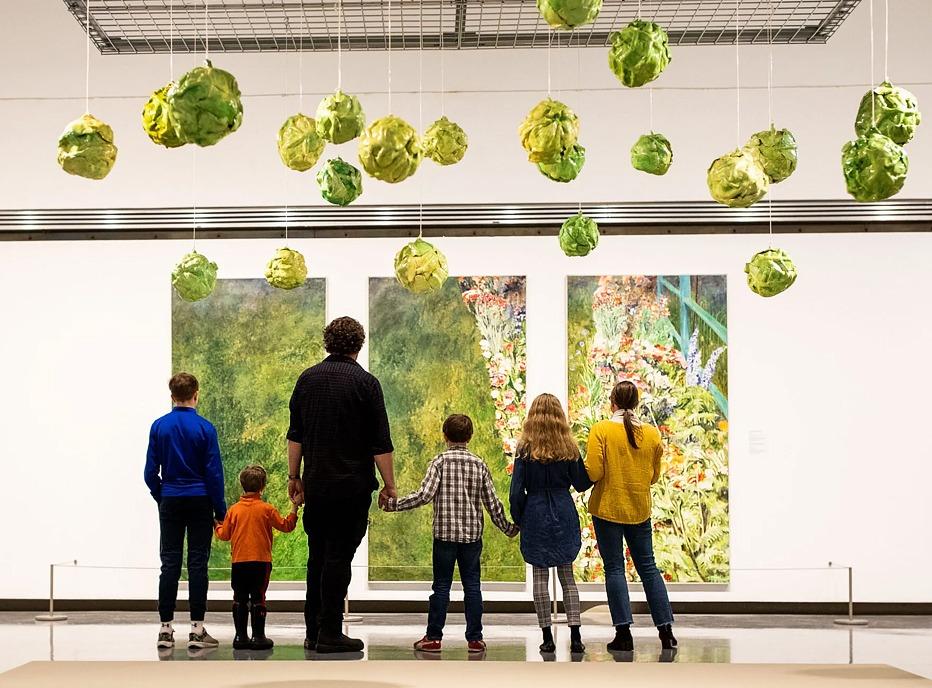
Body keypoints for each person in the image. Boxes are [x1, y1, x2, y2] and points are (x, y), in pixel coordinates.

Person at [286, 316, 397, 654]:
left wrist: (294, 478)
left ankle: (312, 629)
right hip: (351, 486)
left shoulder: (307, 380)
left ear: (327, 343)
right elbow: (381, 443)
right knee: (338, 558)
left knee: (317, 556)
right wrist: (390, 485)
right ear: (358, 346)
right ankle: (331, 632)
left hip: (317, 483)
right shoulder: (366, 383)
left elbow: (295, 436)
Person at [383, 414, 519, 654]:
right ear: (470, 436)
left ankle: (434, 638)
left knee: (441, 587)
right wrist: (508, 528)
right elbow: (492, 503)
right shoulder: (479, 464)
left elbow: (424, 496)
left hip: (444, 537)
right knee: (473, 587)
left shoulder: (440, 462)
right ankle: (475, 639)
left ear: (445, 435)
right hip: (471, 538)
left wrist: (393, 504)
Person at [584, 380, 677, 652]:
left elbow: (594, 473)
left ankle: (623, 634)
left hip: (607, 508)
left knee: (615, 570)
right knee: (648, 568)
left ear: (612, 401)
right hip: (639, 509)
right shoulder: (651, 434)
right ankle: (666, 632)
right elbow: (654, 476)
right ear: (637, 403)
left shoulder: (601, 430)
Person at [144, 372, 227, 650]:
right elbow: (214, 474)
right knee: (197, 564)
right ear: (196, 394)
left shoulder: (159, 427)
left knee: (169, 563)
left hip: (171, 499)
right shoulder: (205, 428)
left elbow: (149, 473)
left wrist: (162, 496)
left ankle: (165, 630)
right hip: (200, 500)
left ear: (172, 396)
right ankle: (197, 629)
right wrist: (220, 509)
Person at [509, 393, 592, 655]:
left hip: (534, 511)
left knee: (540, 577)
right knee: (568, 577)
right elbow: (581, 484)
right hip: (563, 510)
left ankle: (547, 637)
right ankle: (576, 636)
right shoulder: (569, 448)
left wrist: (520, 518)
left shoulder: (524, 449)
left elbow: (515, 492)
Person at [214, 465, 299, 651]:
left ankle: (240, 637)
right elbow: (286, 526)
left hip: (239, 562)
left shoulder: (234, 511)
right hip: (261, 561)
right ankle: (258, 637)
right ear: (263, 486)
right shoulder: (267, 509)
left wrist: (216, 525)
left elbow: (224, 535)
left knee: (239, 598)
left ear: (242, 485)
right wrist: (294, 508)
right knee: (259, 598)